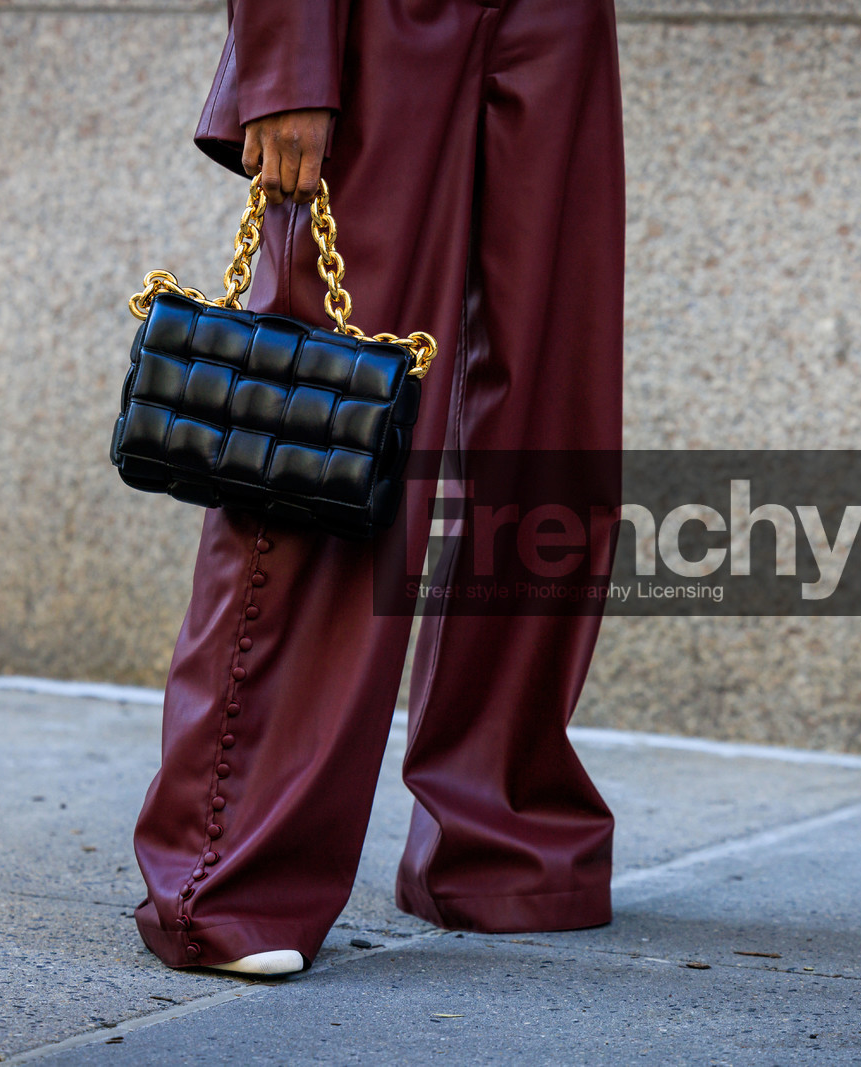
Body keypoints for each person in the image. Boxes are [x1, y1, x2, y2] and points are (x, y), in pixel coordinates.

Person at [131, 0, 626, 975]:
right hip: (382, 24)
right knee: (328, 422)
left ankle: (501, 840)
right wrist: (287, 66)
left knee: (548, 415)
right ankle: (233, 872)